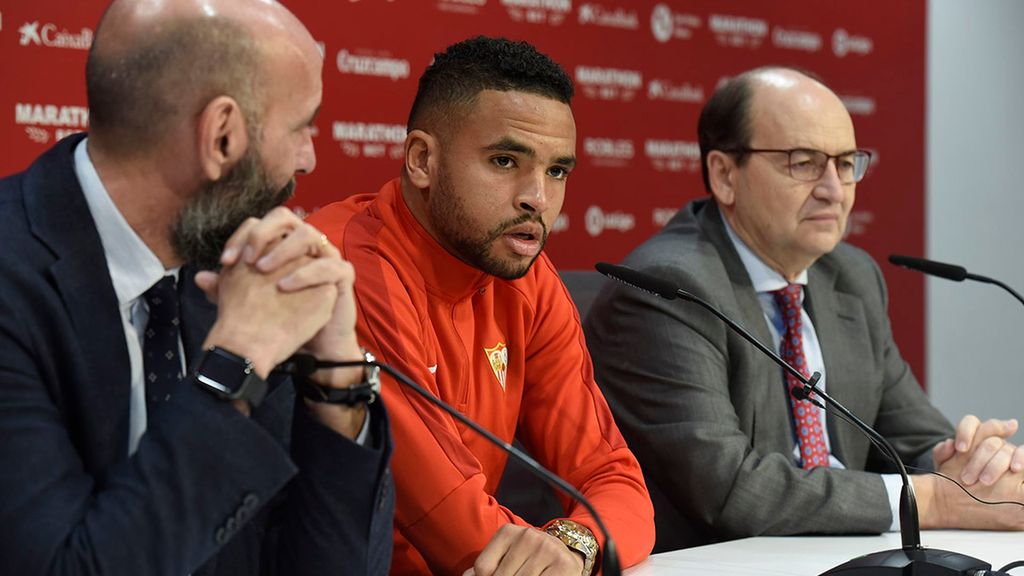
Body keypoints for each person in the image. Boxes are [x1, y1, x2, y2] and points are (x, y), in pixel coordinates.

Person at [0, 0, 393, 573]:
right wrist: (233, 363)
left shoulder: (227, 266)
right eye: (303, 125)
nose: (308, 158)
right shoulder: (13, 283)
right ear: (223, 137)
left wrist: (336, 381)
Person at [584, 66, 1024, 552]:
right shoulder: (669, 289)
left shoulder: (849, 276)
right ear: (725, 175)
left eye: (846, 163)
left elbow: (912, 435)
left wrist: (968, 465)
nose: (834, 190)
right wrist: (934, 500)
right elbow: (730, 488)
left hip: (841, 553)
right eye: (804, 162)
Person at [308, 36, 654, 575]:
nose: (537, 197)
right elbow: (455, 528)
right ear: (422, 160)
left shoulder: (528, 278)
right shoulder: (349, 265)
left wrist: (576, 544)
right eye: (504, 160)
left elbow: (615, 482)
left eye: (557, 171)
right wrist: (555, 557)